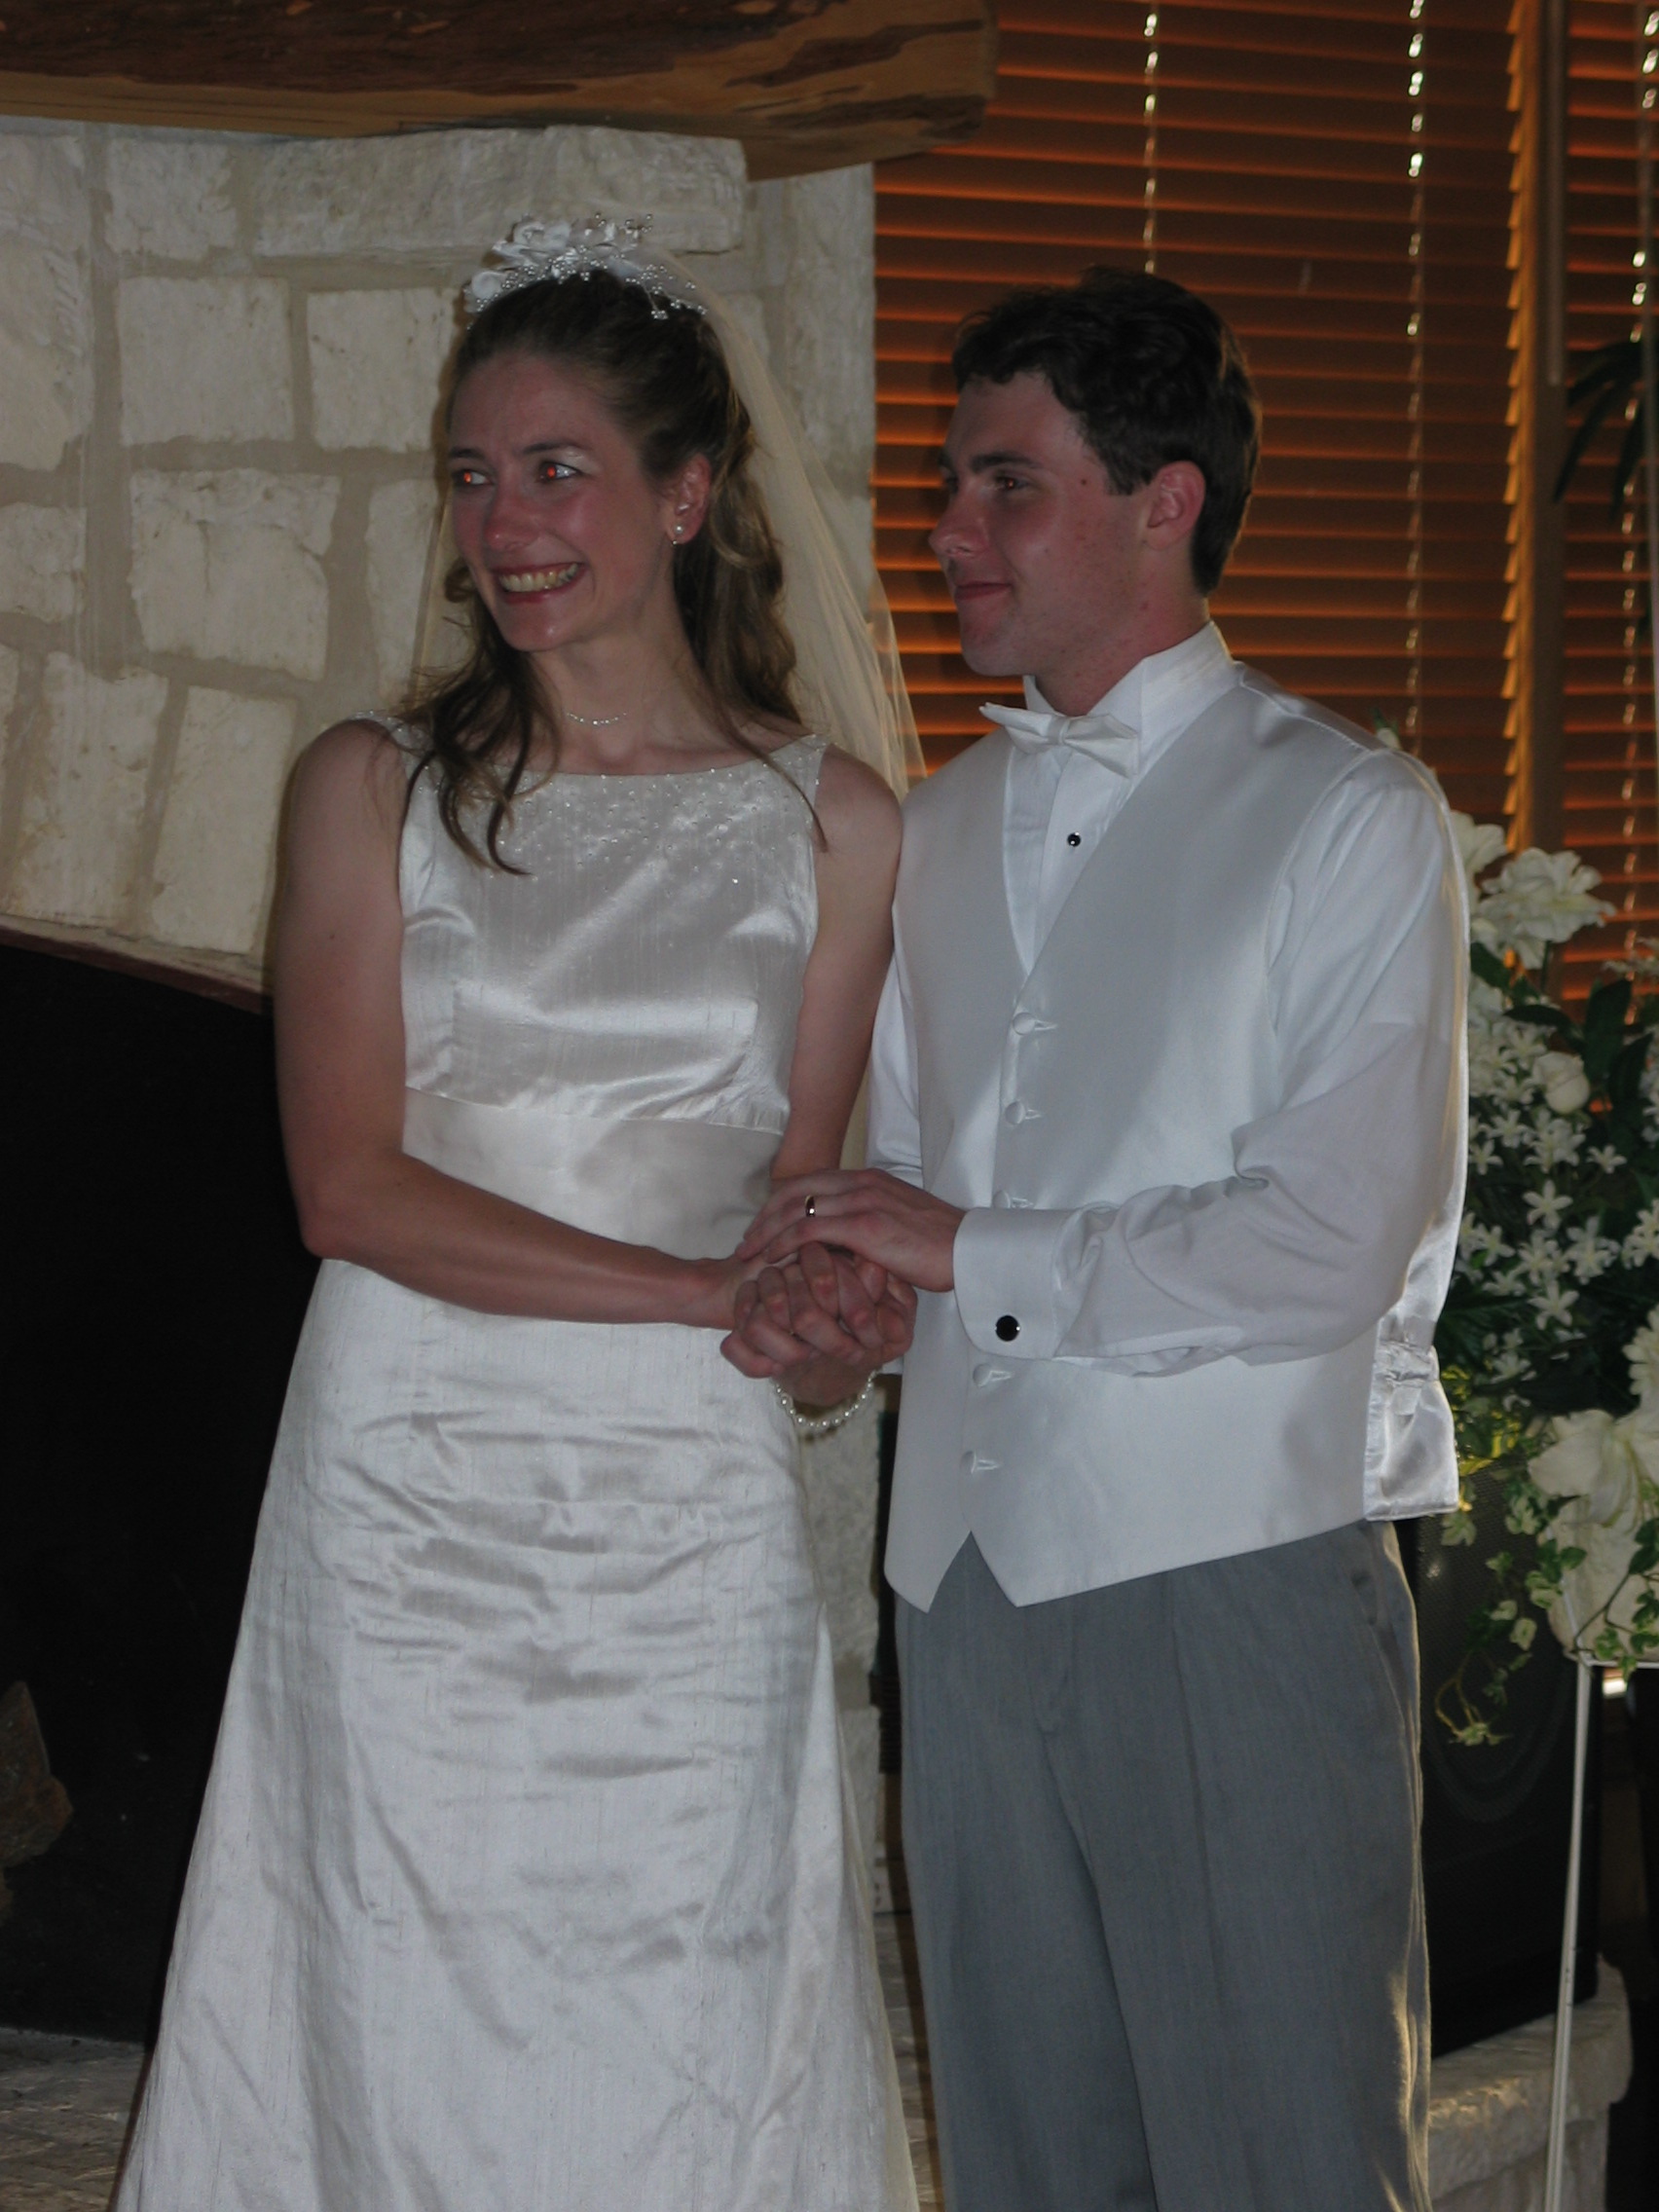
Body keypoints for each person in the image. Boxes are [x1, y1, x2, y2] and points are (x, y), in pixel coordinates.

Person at [114, 221, 919, 2212]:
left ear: (687, 493)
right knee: (392, 1970)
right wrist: (702, 1287)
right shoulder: (370, 788)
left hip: (683, 1498)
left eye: (557, 469)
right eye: (472, 475)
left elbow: (797, 1224)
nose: (503, 524)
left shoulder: (836, 823)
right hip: (411, 1480)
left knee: (691, 1974)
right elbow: (347, 1188)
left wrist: (822, 1329)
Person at [735, 266, 1466, 2210]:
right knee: (1027, 2170)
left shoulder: (1351, 816)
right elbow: (915, 1205)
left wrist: (966, 1247)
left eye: (1006, 484)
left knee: (1288, 2164)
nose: (947, 531)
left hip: (1235, 1576)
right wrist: (843, 1308)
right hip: (962, 1594)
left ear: (1166, 503)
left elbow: (1330, 1242)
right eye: (948, 486)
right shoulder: (932, 827)